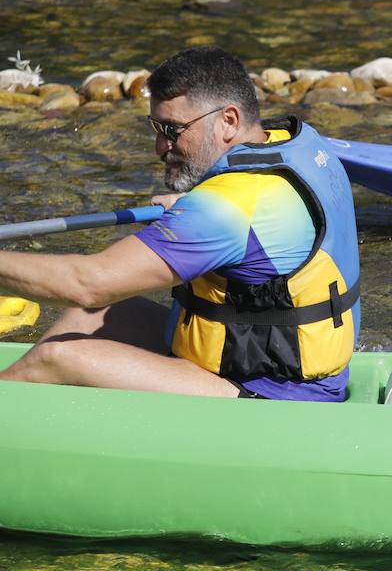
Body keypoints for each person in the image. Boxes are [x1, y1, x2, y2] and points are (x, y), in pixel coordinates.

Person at [0, 46, 361, 400]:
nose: (160, 146)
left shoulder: (223, 210)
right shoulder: (297, 144)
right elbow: (264, 221)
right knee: (86, 318)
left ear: (229, 120)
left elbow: (87, 283)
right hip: (270, 361)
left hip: (274, 392)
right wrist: (194, 203)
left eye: (173, 130)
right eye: (156, 127)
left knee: (57, 357)